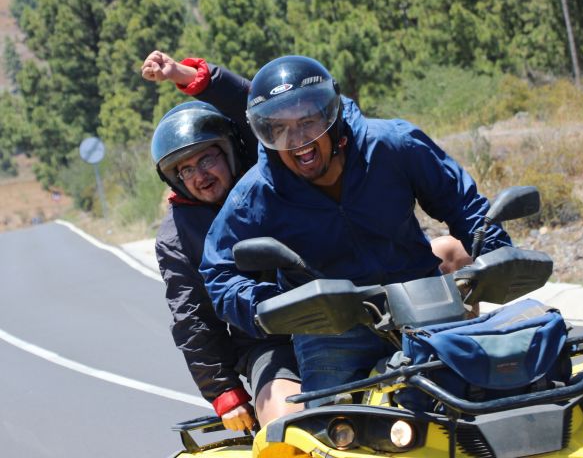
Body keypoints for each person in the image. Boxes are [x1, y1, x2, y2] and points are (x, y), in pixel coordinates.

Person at [199, 55, 513, 398]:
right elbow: (218, 271)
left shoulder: (394, 144)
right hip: (329, 329)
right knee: (330, 432)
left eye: (307, 121)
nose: (297, 138)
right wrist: (270, 305)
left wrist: (495, 252)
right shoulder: (257, 192)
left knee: (474, 400)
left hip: (421, 300)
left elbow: (463, 203)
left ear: (331, 115)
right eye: (280, 128)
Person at [142, 50, 302, 431]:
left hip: (346, 306)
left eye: (206, 158)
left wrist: (187, 75)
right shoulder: (176, 237)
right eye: (185, 169)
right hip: (268, 342)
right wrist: (224, 392)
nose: (199, 174)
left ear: (231, 151)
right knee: (284, 426)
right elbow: (192, 317)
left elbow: (258, 106)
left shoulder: (270, 173)